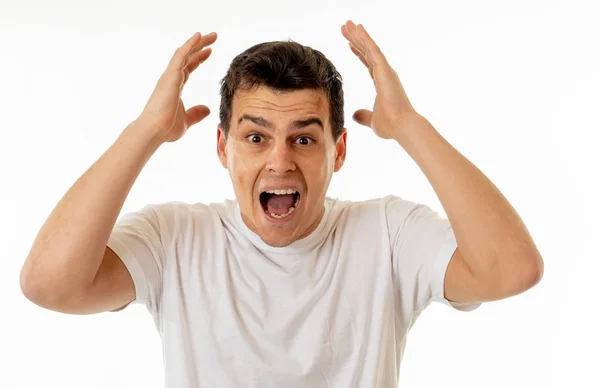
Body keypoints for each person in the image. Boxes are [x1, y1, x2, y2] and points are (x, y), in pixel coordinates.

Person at [20, 20, 544, 387]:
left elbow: (513, 269)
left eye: (304, 138)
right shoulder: (175, 239)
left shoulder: (389, 234)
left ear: (338, 151)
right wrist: (147, 130)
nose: (279, 162)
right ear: (222, 146)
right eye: (255, 138)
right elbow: (49, 283)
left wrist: (409, 127)